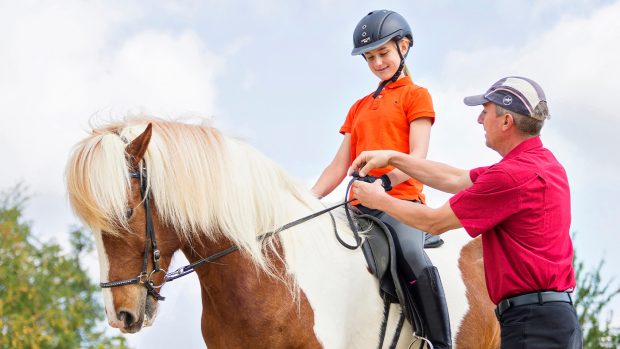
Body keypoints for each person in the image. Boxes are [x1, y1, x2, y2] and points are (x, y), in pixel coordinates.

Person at [350, 76, 582, 348]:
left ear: (506, 121)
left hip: (530, 324)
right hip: (554, 320)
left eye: (485, 112)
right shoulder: (543, 164)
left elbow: (435, 222)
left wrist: (379, 200)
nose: (479, 120)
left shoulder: (510, 177)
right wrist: (393, 157)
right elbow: (455, 179)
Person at [311, 9, 451, 348]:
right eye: (370, 57)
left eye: (383, 53)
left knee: (411, 255)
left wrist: (386, 182)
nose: (376, 63)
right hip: (358, 207)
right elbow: (337, 167)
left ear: (404, 46)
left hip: (400, 204)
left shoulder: (416, 96)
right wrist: (305, 200)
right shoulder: (359, 106)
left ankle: (437, 341)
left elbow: (418, 156)